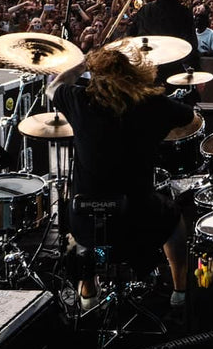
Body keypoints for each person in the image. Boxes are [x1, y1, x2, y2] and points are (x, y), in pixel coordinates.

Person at [50, 44, 194, 312]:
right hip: (138, 219)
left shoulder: (80, 100)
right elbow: (190, 117)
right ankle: (180, 290)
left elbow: (52, 86)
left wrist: (81, 64)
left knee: (80, 232)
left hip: (87, 217)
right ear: (133, 74)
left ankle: (88, 293)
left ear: (95, 76)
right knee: (175, 218)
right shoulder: (152, 104)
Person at [128, 0, 199, 73]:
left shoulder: (145, 10)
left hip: (148, 70)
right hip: (174, 71)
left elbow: (132, 37)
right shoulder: (184, 12)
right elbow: (191, 45)